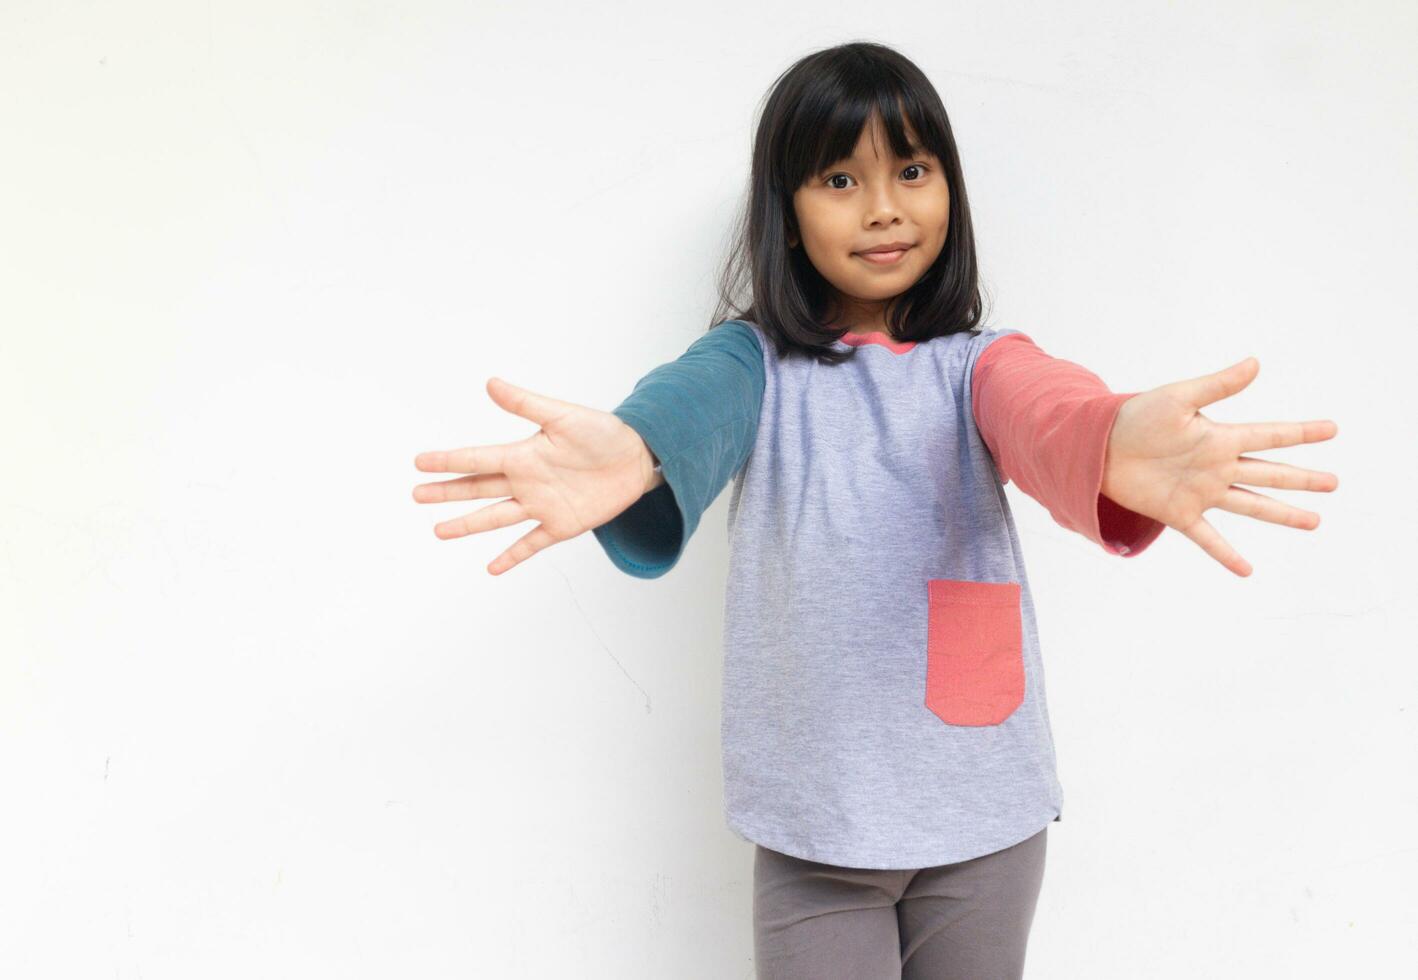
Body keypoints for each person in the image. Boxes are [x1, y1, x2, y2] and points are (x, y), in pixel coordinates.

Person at [411, 41, 1339, 980]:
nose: (884, 207)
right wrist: (636, 449)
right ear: (787, 206)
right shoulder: (754, 364)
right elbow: (686, 406)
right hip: (818, 825)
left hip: (983, 818)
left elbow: (1047, 411)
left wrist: (1110, 437)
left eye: (911, 170)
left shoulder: (978, 362)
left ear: (949, 186)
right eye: (840, 177)